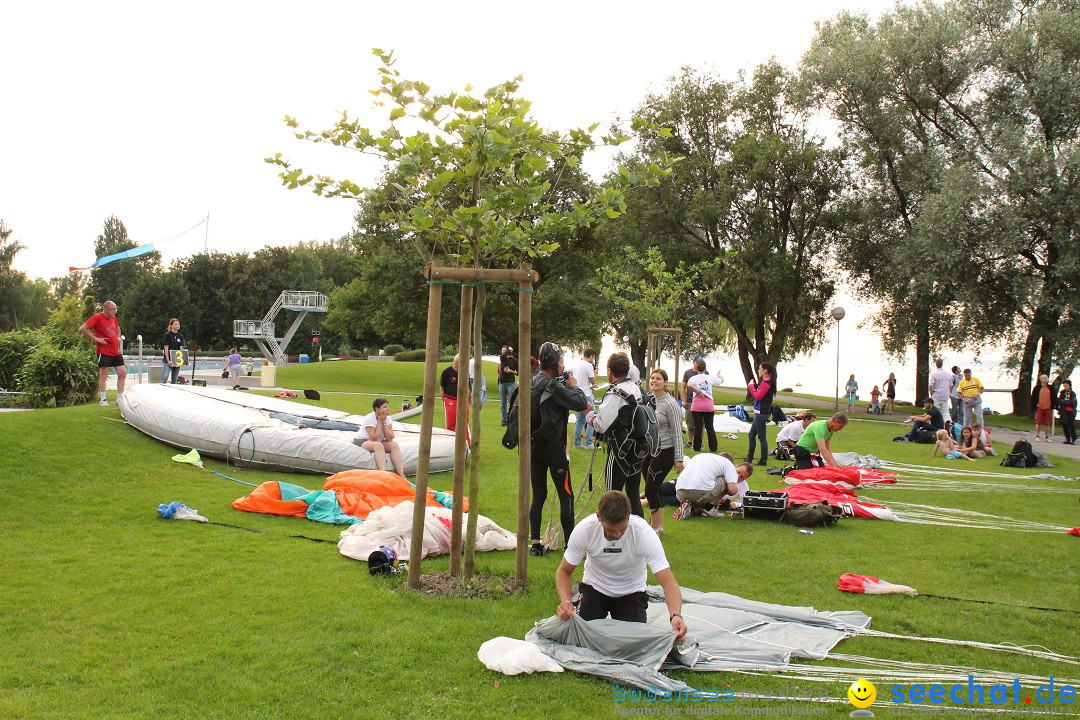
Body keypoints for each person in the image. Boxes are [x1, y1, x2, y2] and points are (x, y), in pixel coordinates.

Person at [555, 491, 687, 644]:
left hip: (631, 592)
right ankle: (579, 598)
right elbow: (564, 571)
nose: (617, 535)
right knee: (580, 637)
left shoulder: (643, 533)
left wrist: (676, 615)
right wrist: (565, 602)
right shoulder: (585, 529)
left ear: (629, 517)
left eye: (622, 529)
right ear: (599, 517)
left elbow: (668, 582)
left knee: (632, 643)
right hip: (595, 588)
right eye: (611, 530)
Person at [526, 342, 589, 557]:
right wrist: (573, 384)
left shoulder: (532, 381)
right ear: (555, 363)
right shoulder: (555, 386)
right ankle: (570, 546)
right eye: (561, 360)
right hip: (554, 449)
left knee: (539, 495)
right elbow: (581, 403)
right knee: (566, 495)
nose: (564, 364)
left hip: (534, 447)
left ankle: (535, 544)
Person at [586, 352, 645, 518]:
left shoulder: (616, 393)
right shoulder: (637, 389)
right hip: (638, 449)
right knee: (633, 493)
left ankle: (612, 534)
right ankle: (639, 534)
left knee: (612, 495)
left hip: (620, 450)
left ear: (610, 371)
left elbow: (601, 426)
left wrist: (589, 414)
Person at [642, 369, 684, 535]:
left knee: (651, 489)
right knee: (654, 487)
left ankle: (656, 527)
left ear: (665, 383)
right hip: (648, 449)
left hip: (665, 450)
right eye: (652, 378)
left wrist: (679, 458)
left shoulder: (670, 403)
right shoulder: (649, 400)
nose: (654, 381)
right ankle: (656, 524)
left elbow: (677, 431)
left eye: (658, 379)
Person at [673, 453, 753, 519]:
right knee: (726, 481)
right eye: (738, 472)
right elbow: (732, 491)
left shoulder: (701, 456)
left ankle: (691, 509)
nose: (738, 476)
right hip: (698, 492)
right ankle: (710, 511)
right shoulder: (729, 466)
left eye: (742, 477)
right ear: (734, 465)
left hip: (679, 492)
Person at [79, 300, 127, 406]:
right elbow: (82, 328)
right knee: (104, 374)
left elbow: (117, 328)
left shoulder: (113, 318)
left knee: (122, 373)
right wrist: (96, 338)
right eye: (112, 309)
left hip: (115, 350)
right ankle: (103, 399)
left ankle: (119, 398)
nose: (115, 311)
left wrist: (117, 337)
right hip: (104, 350)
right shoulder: (98, 317)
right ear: (105, 309)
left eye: (115, 309)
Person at [354, 398, 404, 474]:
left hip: (377, 440)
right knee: (378, 445)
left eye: (387, 407)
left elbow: (390, 438)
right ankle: (382, 473)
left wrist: (384, 422)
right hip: (362, 441)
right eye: (384, 407)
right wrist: (380, 421)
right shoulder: (369, 419)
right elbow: (374, 438)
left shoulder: (388, 418)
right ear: (377, 409)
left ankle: (401, 475)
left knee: (394, 445)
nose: (387, 409)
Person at [687, 360, 724, 452]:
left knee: (698, 427)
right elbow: (721, 381)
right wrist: (719, 374)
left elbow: (689, 385)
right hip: (708, 405)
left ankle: (696, 447)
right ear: (705, 368)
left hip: (696, 405)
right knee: (710, 427)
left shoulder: (694, 378)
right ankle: (713, 447)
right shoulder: (710, 377)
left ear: (696, 368)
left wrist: (698, 392)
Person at [745, 361, 776, 466]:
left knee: (761, 437)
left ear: (765, 371)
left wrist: (751, 386)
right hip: (759, 412)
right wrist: (755, 385)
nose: (758, 371)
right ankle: (749, 458)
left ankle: (763, 460)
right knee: (751, 434)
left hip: (762, 412)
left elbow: (758, 396)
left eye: (760, 369)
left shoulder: (767, 383)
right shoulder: (765, 382)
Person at [572, 348, 598, 449]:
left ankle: (577, 442)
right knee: (593, 417)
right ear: (591, 356)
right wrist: (595, 373)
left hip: (577, 393)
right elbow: (593, 381)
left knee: (580, 420)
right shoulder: (588, 365)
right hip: (586, 395)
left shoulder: (576, 364)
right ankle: (588, 442)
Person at [440, 355, 465, 431]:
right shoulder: (446, 372)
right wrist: (443, 399)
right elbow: (442, 387)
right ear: (458, 362)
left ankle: (465, 441)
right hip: (450, 399)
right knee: (450, 423)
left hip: (462, 400)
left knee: (464, 423)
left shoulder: (465, 373)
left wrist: (467, 401)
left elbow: (468, 388)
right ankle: (451, 440)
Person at [682, 358, 702, 448]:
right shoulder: (688, 373)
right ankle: (690, 442)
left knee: (701, 424)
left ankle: (700, 443)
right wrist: (683, 400)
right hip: (690, 401)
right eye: (697, 362)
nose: (698, 364)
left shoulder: (705, 373)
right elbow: (683, 386)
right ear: (693, 362)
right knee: (690, 423)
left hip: (701, 402)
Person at [1031, 374, 1056, 442]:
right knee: (1038, 422)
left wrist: (1055, 405)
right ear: (1041, 379)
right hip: (1040, 406)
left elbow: (1054, 397)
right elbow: (1033, 398)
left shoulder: (1051, 388)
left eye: (1047, 378)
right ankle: (1037, 436)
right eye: (1044, 378)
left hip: (1048, 407)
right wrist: (1033, 406)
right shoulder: (1037, 388)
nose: (1046, 379)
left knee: (1047, 423)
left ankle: (1047, 437)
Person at [497, 346, 518, 427]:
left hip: (510, 383)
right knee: (503, 403)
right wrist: (508, 350)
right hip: (502, 383)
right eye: (502, 350)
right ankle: (504, 420)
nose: (502, 352)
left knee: (511, 402)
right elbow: (502, 356)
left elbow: (518, 372)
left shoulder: (514, 361)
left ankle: (511, 420)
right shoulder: (503, 359)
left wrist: (511, 371)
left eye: (504, 350)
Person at [160, 318, 185, 385]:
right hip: (168, 360)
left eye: (178, 324)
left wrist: (182, 361)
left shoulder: (180, 336)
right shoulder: (167, 335)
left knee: (174, 379)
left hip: (176, 360)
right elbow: (166, 348)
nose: (177, 325)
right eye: (175, 324)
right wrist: (168, 360)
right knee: (165, 376)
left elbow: (181, 349)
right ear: (171, 325)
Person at [1057, 379, 1076, 445]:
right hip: (1064, 411)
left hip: (1071, 411)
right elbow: (1059, 401)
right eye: (1064, 385)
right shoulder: (1062, 393)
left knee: (1071, 425)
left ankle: (1073, 438)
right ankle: (1067, 439)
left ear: (1069, 386)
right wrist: (1065, 402)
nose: (1065, 387)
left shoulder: (1072, 393)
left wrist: (1065, 402)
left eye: (1066, 385)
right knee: (1064, 425)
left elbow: (1072, 403)